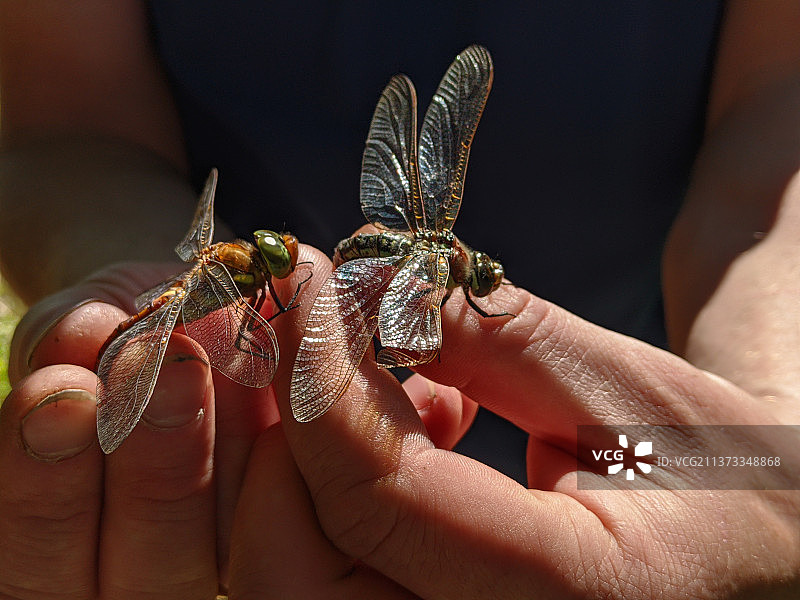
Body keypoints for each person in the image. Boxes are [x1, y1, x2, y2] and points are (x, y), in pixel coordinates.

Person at [0, 1, 798, 598]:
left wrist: (763, 428)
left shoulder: (631, 435)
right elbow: (69, 116)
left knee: (730, 479)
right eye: (479, 280)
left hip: (611, 444)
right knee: (311, 503)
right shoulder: (410, 283)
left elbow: (779, 99)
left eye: (481, 281)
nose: (497, 293)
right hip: (314, 440)